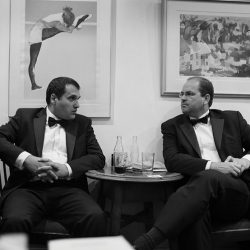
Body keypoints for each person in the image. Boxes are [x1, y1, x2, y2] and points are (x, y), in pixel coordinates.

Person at [134, 76, 250, 250]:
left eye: (189, 94)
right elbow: (172, 160)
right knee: (195, 214)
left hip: (234, 194)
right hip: (198, 196)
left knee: (209, 178)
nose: (182, 98)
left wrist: (244, 161)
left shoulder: (232, 119)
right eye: (181, 94)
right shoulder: (172, 126)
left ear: (206, 98)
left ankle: (147, 242)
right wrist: (215, 165)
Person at [0, 76, 107, 237]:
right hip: (27, 188)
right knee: (15, 220)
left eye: (78, 99)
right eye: (72, 99)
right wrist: (26, 160)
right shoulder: (25, 117)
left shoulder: (83, 123)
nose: (77, 105)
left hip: (69, 189)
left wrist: (67, 169)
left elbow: (98, 157)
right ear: (54, 98)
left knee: (95, 217)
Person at [28, 7, 92, 90]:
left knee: (62, 29)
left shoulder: (61, 18)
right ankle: (77, 21)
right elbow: (66, 29)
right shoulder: (57, 21)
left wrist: (73, 25)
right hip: (38, 33)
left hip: (40, 31)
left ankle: (33, 85)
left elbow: (66, 29)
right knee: (33, 62)